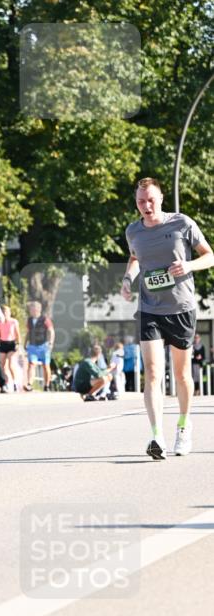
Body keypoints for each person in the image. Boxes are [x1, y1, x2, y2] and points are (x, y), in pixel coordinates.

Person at [121, 177, 214, 458]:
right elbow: (135, 258)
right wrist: (127, 279)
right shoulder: (133, 231)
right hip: (149, 307)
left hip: (181, 308)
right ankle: (157, 436)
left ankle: (184, 427)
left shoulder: (182, 224)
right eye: (140, 201)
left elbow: (209, 256)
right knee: (152, 371)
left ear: (160, 199)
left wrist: (188, 265)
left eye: (150, 200)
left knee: (182, 374)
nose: (146, 206)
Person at [24, 301, 55, 391]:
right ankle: (29, 384)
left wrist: (50, 342)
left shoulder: (45, 319)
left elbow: (51, 331)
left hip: (43, 345)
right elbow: (28, 332)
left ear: (38, 309)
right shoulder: (29, 320)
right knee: (32, 365)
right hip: (32, 345)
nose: (30, 311)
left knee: (46, 366)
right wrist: (25, 343)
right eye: (30, 309)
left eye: (32, 309)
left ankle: (47, 385)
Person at [0, 303, 21, 391]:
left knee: (11, 364)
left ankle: (15, 383)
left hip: (12, 343)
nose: (5, 314)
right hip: (3, 343)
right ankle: (5, 382)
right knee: (2, 365)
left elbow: (17, 333)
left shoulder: (14, 321)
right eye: (3, 312)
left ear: (9, 313)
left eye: (6, 312)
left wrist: (18, 344)